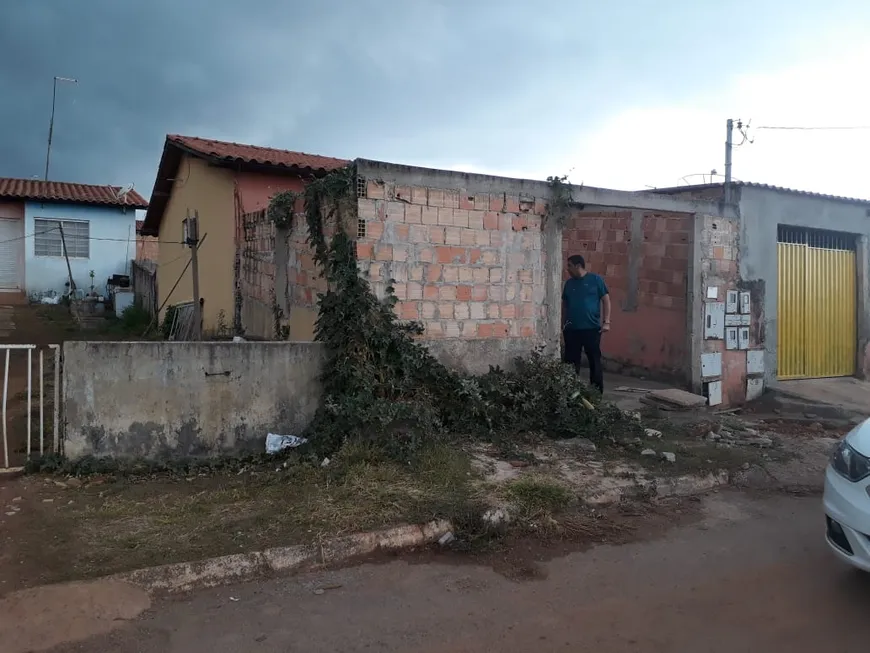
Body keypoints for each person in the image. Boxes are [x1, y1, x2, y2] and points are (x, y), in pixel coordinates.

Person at [562, 254, 611, 393]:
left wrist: (606, 322)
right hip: (572, 329)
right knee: (571, 362)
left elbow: (606, 300)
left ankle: (596, 392)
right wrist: (563, 324)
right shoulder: (569, 283)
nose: (567, 269)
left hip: (591, 328)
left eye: (569, 266)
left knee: (594, 360)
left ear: (578, 266)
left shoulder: (595, 280)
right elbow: (565, 304)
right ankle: (570, 391)